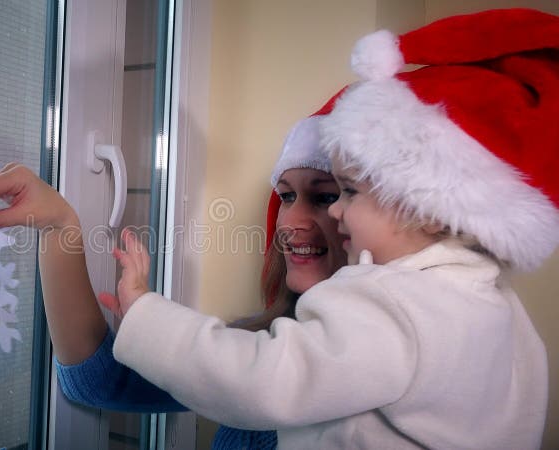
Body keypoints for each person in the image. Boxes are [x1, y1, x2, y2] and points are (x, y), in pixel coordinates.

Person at [100, 8, 559, 450]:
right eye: (289, 196)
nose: (336, 213)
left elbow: (259, 381)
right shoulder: (500, 312)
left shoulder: (394, 303)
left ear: (432, 209)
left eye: (347, 193)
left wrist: (145, 311)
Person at [0, 109, 347, 448]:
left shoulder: (384, 377)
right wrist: (59, 225)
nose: (292, 222)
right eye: (285, 196)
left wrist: (148, 314)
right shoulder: (262, 343)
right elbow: (99, 381)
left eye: (325, 197)